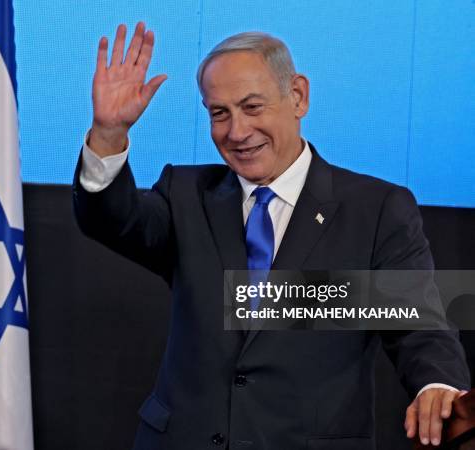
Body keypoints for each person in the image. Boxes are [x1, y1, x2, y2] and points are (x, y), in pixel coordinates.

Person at [73, 22, 470, 449]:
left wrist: (437, 387)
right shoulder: (185, 195)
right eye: (219, 113)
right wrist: (109, 132)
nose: (237, 132)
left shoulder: (375, 210)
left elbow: (419, 323)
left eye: (252, 107)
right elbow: (111, 219)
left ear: (297, 96)